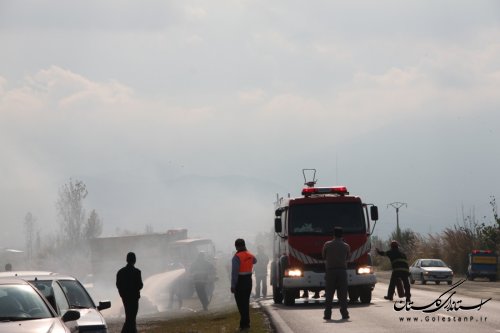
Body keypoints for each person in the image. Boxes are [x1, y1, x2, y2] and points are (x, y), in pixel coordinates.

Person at [322, 226, 350, 320]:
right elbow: (348, 258)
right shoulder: (346, 246)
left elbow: (323, 256)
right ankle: (344, 313)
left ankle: (327, 314)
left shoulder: (327, 244)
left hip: (330, 271)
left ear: (333, 234)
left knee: (329, 294)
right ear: (342, 235)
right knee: (343, 294)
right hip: (342, 271)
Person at [231, 238, 257, 331]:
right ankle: (245, 324)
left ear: (236, 246)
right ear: (244, 245)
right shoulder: (250, 255)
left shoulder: (236, 257)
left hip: (240, 282)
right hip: (248, 281)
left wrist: (233, 286)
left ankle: (244, 324)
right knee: (245, 302)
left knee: (240, 304)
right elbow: (255, 261)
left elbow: (234, 273)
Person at [116, 252, 143, 333]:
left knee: (129, 316)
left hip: (125, 298)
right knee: (132, 317)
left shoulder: (120, 272)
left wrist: (122, 294)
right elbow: (140, 285)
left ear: (127, 260)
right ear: (134, 260)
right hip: (134, 298)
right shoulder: (137, 272)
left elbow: (118, 285)